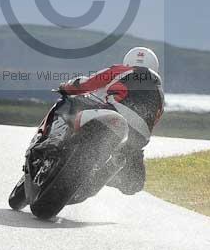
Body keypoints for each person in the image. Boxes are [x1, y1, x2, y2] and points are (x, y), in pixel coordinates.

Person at [22, 46, 165, 205]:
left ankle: (52, 142)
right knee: (133, 184)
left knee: (68, 102)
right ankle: (107, 171)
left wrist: (67, 87)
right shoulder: (160, 93)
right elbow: (154, 120)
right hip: (137, 138)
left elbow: (89, 82)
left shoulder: (123, 70)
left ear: (128, 61)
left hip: (113, 115)